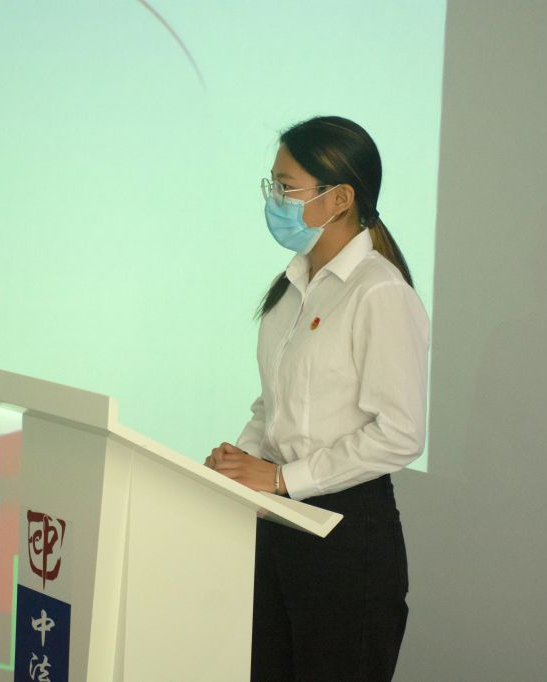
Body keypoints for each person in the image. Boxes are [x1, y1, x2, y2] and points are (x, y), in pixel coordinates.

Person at [205, 116, 429, 681]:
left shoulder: (379, 292)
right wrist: (241, 459)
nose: (274, 200)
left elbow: (400, 433)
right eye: (272, 185)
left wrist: (283, 478)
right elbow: (273, 402)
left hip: (347, 536)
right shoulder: (291, 288)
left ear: (341, 198)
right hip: (277, 527)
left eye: (286, 187)